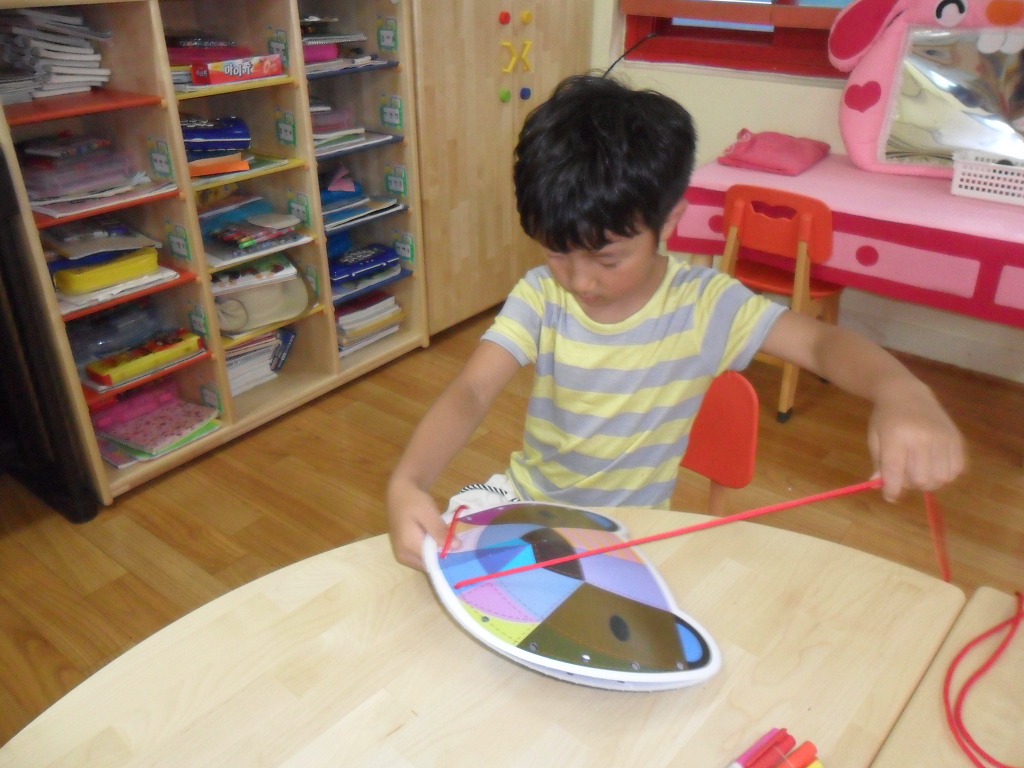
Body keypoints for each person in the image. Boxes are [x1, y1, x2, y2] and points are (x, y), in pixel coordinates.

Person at [386, 74, 965, 569]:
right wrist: (408, 482)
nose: (579, 280)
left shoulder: (705, 305)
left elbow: (820, 344)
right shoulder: (541, 295)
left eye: (607, 259)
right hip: (528, 503)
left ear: (668, 223)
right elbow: (472, 390)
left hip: (627, 533)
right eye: (557, 251)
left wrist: (902, 391)